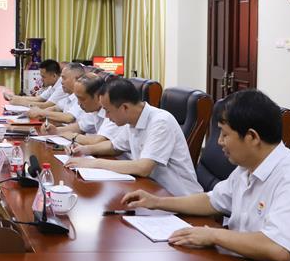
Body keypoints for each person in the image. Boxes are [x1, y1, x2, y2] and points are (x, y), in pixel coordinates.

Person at [120, 89, 290, 261]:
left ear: (252, 137)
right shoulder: (247, 168)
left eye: (225, 134)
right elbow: (212, 200)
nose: (219, 141)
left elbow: (276, 247)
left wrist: (212, 235)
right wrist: (157, 202)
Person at [66, 77, 201, 197]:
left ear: (124, 107)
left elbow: (143, 168)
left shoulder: (160, 122)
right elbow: (114, 146)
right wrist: (84, 150)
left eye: (107, 110)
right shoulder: (132, 120)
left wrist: (93, 163)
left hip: (179, 198)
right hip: (151, 191)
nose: (106, 116)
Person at [45, 73, 109, 142]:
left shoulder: (111, 112)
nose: (78, 103)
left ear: (98, 97)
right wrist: (55, 130)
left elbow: (99, 141)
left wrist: (74, 136)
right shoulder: (94, 110)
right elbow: (80, 127)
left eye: (82, 99)